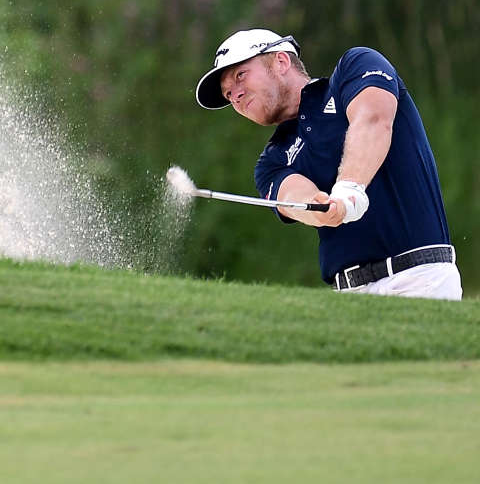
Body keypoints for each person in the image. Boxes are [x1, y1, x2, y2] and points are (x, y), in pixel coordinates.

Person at [194, 29, 461, 299]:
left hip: (419, 279)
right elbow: (293, 197)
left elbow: (373, 120)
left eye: (241, 76)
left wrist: (349, 189)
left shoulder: (355, 68)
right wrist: (320, 209)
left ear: (281, 62)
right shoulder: (271, 161)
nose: (235, 96)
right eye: (228, 94)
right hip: (347, 295)